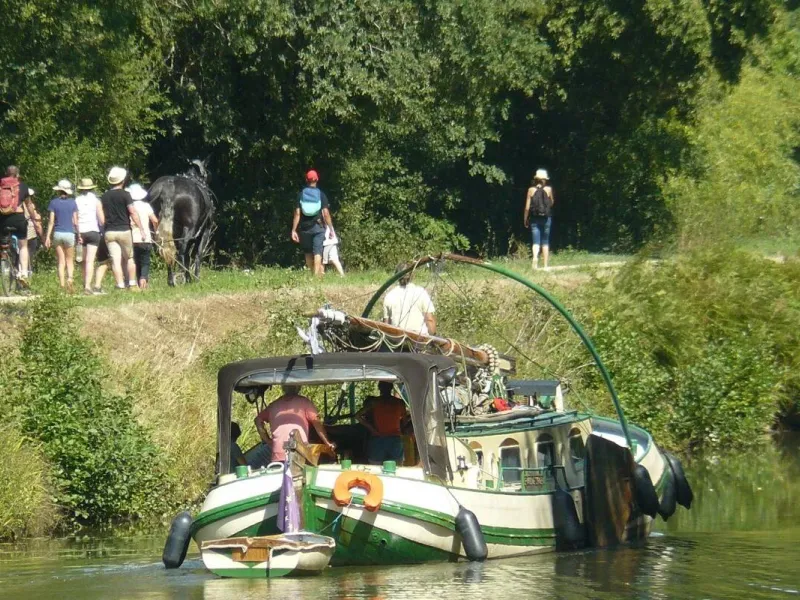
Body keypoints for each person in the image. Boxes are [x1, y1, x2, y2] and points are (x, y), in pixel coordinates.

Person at [254, 385, 335, 463]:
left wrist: (268, 441)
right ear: (298, 387)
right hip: (299, 454)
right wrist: (327, 443)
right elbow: (316, 422)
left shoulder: (273, 405)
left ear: (283, 387)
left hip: (278, 456)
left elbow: (258, 421)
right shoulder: (304, 402)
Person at [101, 166, 145, 290]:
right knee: (129, 258)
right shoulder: (126, 195)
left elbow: (102, 216)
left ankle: (120, 285)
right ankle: (132, 283)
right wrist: (141, 228)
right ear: (123, 180)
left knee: (115, 260)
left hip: (110, 231)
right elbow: (132, 212)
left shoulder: (104, 196)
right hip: (124, 230)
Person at [290, 170, 335, 277]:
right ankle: (315, 276)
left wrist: (293, 230)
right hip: (318, 227)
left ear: (306, 180)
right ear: (317, 180)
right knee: (318, 251)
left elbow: (297, 213)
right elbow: (326, 213)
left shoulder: (301, 195)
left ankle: (312, 274)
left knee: (308, 252)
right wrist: (331, 228)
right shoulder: (321, 194)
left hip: (304, 228)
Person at [356, 382, 410, 465]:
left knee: (376, 468)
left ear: (379, 388)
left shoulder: (375, 402)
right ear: (391, 387)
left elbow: (358, 416)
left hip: (378, 439)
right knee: (396, 468)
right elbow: (405, 421)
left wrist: (372, 429)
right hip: (394, 439)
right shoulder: (399, 402)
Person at [0, 165, 33, 288]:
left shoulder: (1, 185)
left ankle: (4, 258)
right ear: (17, 174)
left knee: (3, 243)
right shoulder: (22, 186)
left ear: (6, 173)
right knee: (23, 245)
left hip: (3, 219)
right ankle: (23, 273)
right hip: (18, 218)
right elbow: (29, 205)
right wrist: (34, 217)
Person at [44, 179, 79, 292]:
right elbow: (75, 221)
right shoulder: (73, 203)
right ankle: (70, 279)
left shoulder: (53, 203)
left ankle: (62, 285)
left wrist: (47, 237)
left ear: (59, 190)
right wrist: (79, 234)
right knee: (70, 260)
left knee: (61, 261)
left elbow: (51, 222)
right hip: (69, 233)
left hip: (58, 233)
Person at [382, 263, 436, 335]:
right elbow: (429, 320)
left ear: (396, 276)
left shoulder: (389, 296)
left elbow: (386, 326)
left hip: (397, 338)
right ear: (412, 275)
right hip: (419, 339)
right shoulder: (421, 292)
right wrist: (433, 336)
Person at [75, 178, 105, 295]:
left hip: (81, 232)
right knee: (90, 261)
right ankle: (88, 286)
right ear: (92, 188)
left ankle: (85, 283)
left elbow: (75, 218)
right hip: (93, 231)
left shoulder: (76, 200)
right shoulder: (96, 201)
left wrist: (77, 232)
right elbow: (101, 220)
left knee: (83, 260)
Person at [127, 183, 158, 289]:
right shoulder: (146, 206)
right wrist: (155, 230)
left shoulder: (128, 207)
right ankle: (143, 279)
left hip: (132, 238)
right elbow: (155, 220)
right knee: (145, 261)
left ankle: (135, 281)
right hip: (145, 238)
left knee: (135, 261)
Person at [523, 168, 554, 270]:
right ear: (545, 179)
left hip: (534, 218)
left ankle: (535, 258)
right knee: (545, 242)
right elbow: (552, 203)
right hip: (546, 218)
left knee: (536, 241)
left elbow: (527, 207)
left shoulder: (530, 190)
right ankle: (545, 266)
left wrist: (525, 219)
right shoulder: (548, 189)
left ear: (536, 179)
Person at [21, 187, 43, 277]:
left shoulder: (17, 204)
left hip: (19, 230)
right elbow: (36, 221)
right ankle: (27, 271)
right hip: (30, 231)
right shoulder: (31, 205)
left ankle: (20, 270)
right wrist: (42, 236)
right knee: (30, 252)